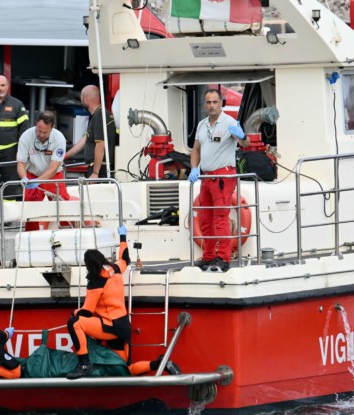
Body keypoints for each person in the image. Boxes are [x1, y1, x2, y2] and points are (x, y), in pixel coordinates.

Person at [66, 240, 181, 379]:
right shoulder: (116, 269)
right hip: (123, 327)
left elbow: (87, 312)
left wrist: (75, 312)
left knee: (74, 322)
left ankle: (84, 365)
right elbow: (125, 259)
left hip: (110, 327)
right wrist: (122, 238)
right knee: (125, 369)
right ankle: (159, 364)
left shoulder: (96, 282)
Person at [188, 89, 250, 272]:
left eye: (215, 102)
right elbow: (196, 149)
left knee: (221, 219)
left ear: (221, 103)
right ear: (204, 104)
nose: (211, 105)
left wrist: (243, 136)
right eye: (208, 102)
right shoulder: (202, 125)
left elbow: (245, 144)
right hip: (206, 177)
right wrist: (194, 168)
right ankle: (208, 256)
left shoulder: (230, 122)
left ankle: (223, 258)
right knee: (206, 219)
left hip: (223, 177)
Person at [16, 111, 69, 231]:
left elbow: (53, 168)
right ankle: (31, 235)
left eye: (45, 132)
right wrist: (24, 178)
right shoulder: (26, 136)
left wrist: (39, 181)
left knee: (63, 205)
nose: (41, 135)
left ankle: (66, 233)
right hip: (32, 175)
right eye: (39, 131)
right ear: (36, 124)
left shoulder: (59, 139)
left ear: (52, 128)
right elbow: (21, 163)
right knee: (30, 209)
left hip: (53, 176)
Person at [65, 85, 117, 178]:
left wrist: (95, 172)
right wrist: (65, 156)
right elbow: (84, 140)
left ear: (86, 99)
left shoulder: (99, 115)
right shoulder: (97, 115)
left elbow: (100, 145)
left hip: (100, 169)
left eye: (81, 98)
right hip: (97, 167)